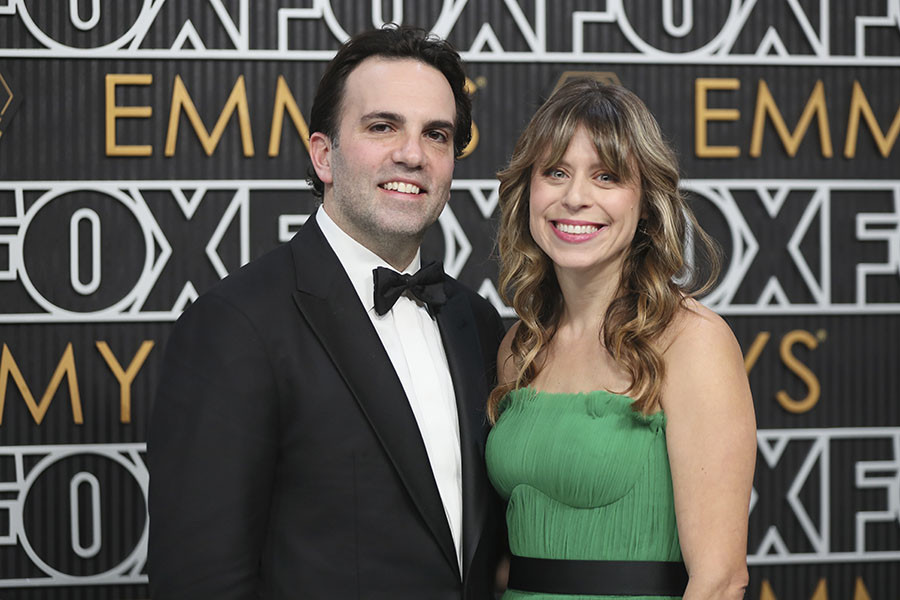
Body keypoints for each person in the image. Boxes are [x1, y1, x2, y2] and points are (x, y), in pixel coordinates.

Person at [148, 25, 506, 599]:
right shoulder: (236, 325)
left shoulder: (476, 323)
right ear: (323, 155)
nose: (412, 154)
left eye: (436, 135)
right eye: (382, 126)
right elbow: (201, 579)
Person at [485, 78, 757, 599]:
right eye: (556, 172)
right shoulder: (519, 346)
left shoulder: (692, 341)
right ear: (528, 192)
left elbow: (720, 581)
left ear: (646, 203)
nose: (576, 198)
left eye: (606, 176)